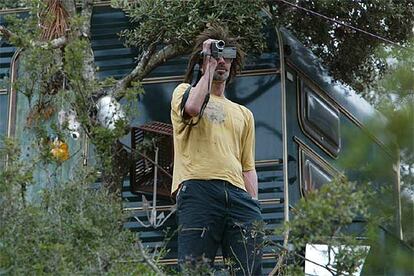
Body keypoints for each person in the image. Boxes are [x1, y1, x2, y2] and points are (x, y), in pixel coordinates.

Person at [170, 24, 263, 275]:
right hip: (198, 189)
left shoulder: (244, 114)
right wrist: (207, 65)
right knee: (194, 269)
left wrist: (253, 205)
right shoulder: (184, 92)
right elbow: (191, 109)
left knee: (248, 270)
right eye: (216, 55)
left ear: (234, 64)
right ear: (203, 60)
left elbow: (248, 167)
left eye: (227, 56)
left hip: (237, 195)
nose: (222, 61)